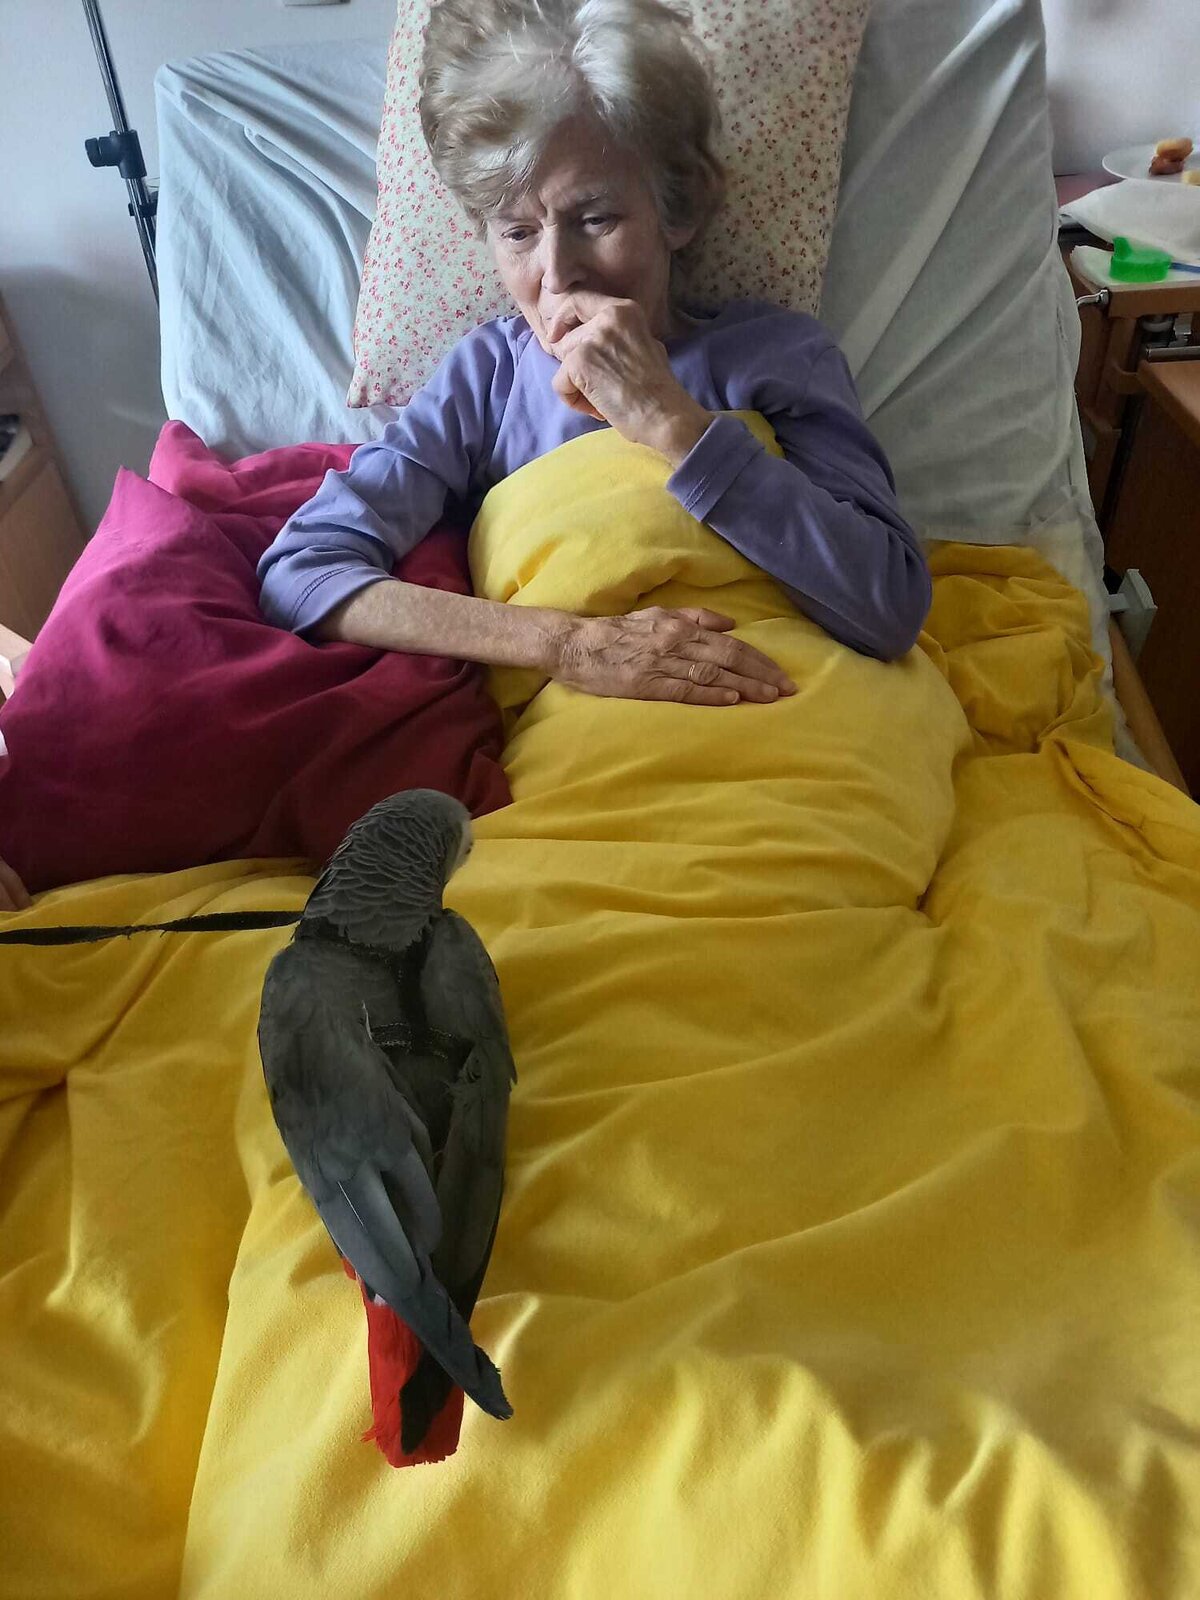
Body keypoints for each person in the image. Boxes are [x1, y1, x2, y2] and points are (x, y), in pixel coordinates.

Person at [257, 0, 931, 711]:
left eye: (595, 218)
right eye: (517, 232)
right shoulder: (488, 378)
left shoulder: (779, 353)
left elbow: (890, 607)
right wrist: (566, 644)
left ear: (678, 209)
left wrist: (671, 423)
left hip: (804, 717)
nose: (556, 274)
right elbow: (303, 572)